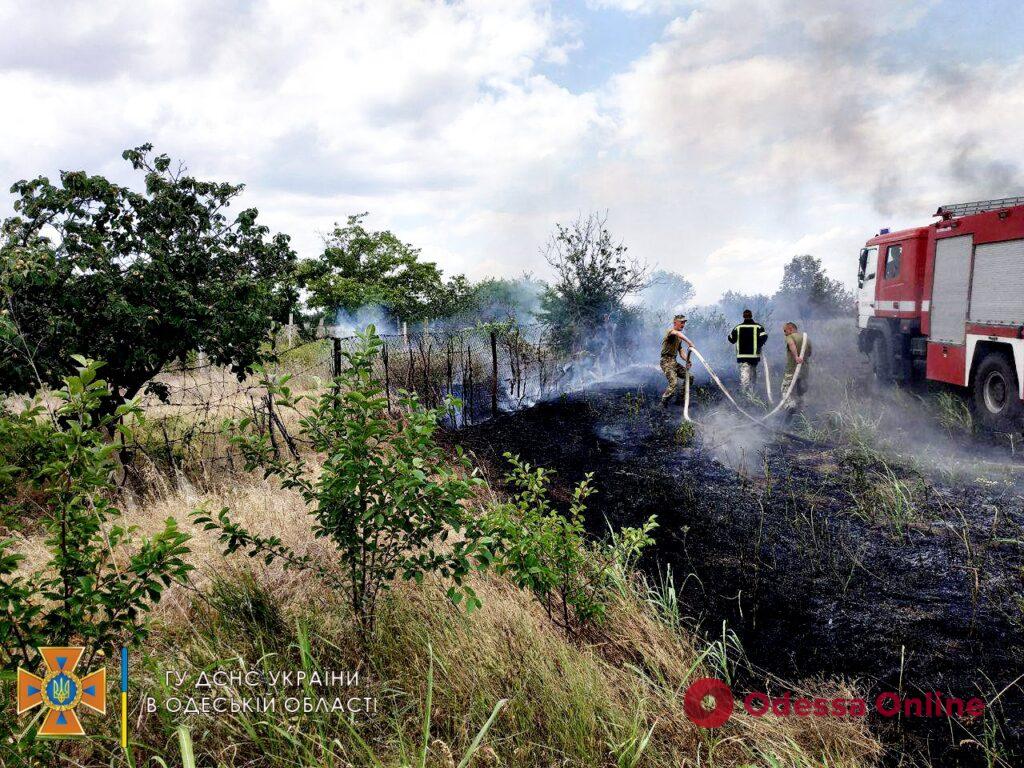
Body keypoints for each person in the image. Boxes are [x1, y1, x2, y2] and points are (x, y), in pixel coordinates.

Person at [727, 309, 768, 396]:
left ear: (743, 316)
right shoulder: (758, 327)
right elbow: (764, 336)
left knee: (745, 375)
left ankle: (745, 395)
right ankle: (753, 393)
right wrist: (759, 345)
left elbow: (731, 340)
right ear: (751, 315)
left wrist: (729, 335)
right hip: (754, 356)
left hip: (743, 356)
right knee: (753, 374)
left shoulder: (737, 328)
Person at [660, 314, 693, 407]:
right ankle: (663, 403)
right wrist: (689, 342)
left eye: (684, 323)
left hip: (673, 362)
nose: (683, 324)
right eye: (681, 322)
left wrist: (688, 360)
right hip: (666, 361)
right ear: (675, 323)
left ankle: (680, 399)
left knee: (690, 377)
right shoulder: (671, 332)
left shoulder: (679, 338)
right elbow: (677, 333)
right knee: (673, 382)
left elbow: (681, 351)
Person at [781, 321, 812, 418]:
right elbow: (810, 353)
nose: (784, 333)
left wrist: (796, 357)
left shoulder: (790, 337)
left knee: (785, 389)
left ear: (791, 329)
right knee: (800, 392)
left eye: (785, 331)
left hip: (792, 371)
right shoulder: (806, 339)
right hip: (804, 372)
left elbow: (791, 345)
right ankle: (801, 414)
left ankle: (791, 406)